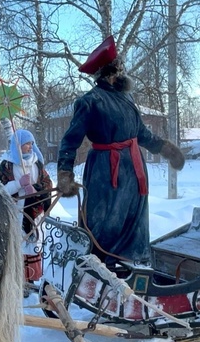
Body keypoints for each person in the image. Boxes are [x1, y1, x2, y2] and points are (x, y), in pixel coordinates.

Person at [56, 35, 185, 266]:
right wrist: (65, 173)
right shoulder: (90, 101)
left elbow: (141, 134)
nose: (124, 69)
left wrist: (166, 149)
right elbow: (70, 141)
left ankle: (133, 269)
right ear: (111, 70)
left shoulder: (127, 97)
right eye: (120, 65)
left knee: (134, 222)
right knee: (103, 221)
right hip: (106, 173)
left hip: (134, 173)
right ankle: (97, 269)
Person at [0, 129, 53, 282]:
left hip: (33, 213)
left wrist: (36, 189)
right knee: (18, 246)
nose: (30, 147)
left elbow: (48, 184)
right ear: (18, 145)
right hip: (16, 213)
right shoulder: (7, 165)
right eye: (27, 143)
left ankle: (32, 278)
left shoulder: (37, 164)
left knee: (33, 244)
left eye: (31, 143)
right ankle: (18, 281)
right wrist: (18, 185)